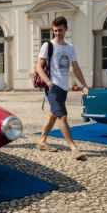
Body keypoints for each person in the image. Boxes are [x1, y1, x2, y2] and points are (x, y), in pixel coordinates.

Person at [36, 16, 89, 160]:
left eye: (60, 30)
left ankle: (41, 140)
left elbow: (76, 68)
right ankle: (74, 148)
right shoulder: (48, 45)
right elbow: (38, 67)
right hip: (53, 86)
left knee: (53, 114)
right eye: (54, 30)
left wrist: (84, 85)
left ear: (66, 28)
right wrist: (48, 82)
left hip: (64, 87)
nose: (57, 33)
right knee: (62, 117)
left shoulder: (70, 47)